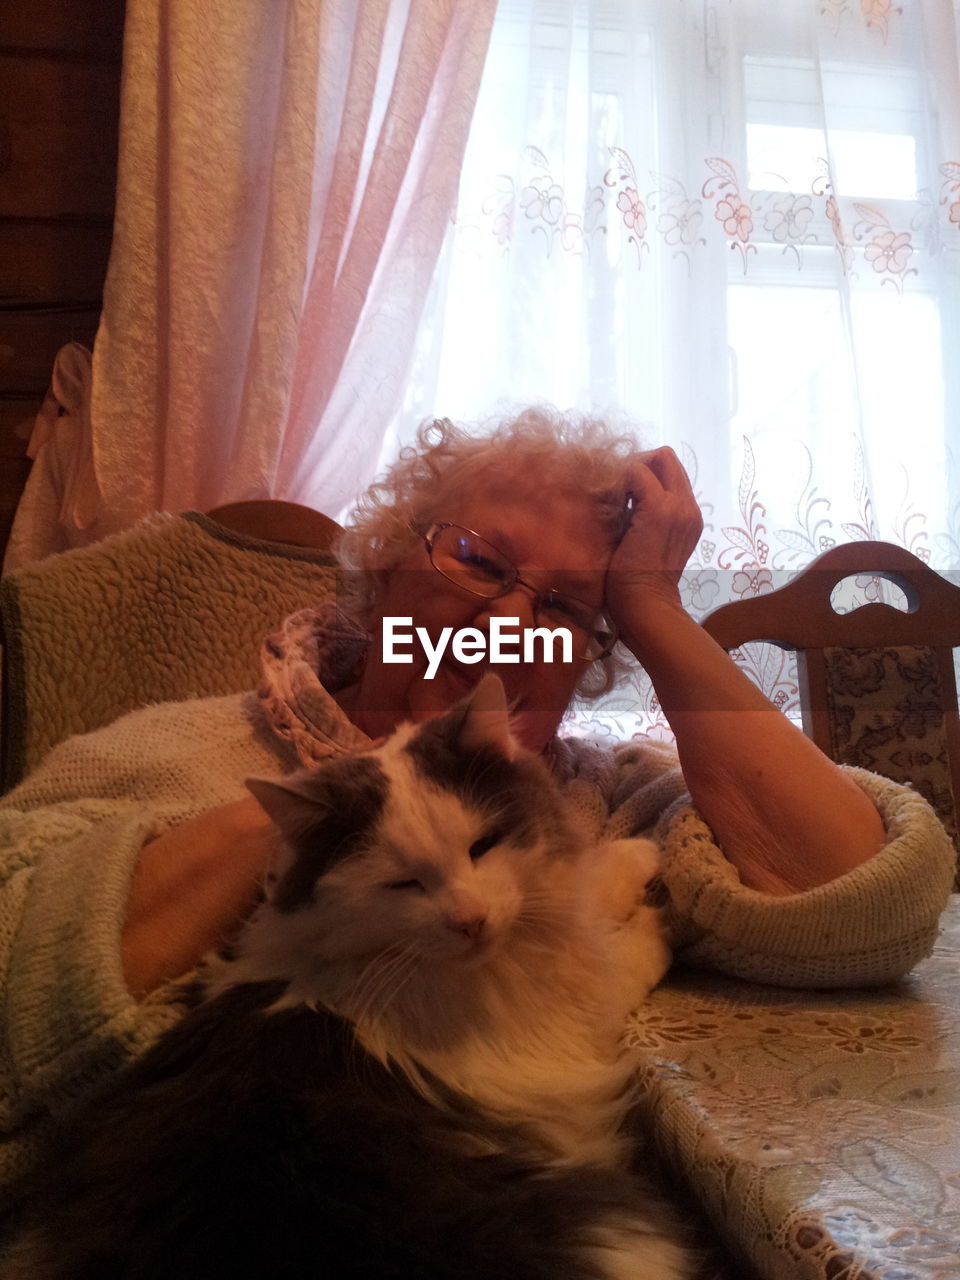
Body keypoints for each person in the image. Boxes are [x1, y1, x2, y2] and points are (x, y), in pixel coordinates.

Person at [0, 408, 954, 1215]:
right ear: (381, 575)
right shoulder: (167, 751)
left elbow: (871, 911)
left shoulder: (607, 798)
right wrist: (336, 809)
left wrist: (656, 610)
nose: (510, 626)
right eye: (480, 563)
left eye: (570, 612)